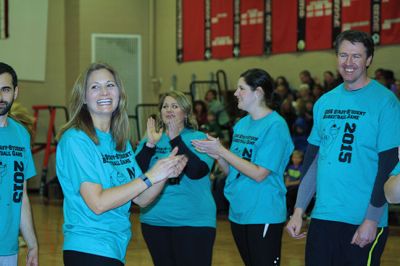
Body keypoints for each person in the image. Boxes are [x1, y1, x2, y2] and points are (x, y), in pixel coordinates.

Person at [286, 30, 400, 266]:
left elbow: (388, 165)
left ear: (368, 60)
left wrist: (371, 219)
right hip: (323, 216)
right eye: (343, 55)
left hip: (362, 219)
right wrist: (299, 210)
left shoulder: (386, 102)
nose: (349, 63)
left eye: (356, 56)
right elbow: (313, 161)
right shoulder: (324, 102)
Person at [56, 63, 188, 266]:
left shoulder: (120, 140)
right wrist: (151, 176)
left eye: (110, 85)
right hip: (87, 247)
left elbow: (141, 198)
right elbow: (98, 203)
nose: (104, 92)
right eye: (94, 87)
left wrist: (164, 174)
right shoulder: (76, 140)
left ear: (119, 93)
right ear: (83, 97)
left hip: (116, 247)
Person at [192, 68, 294, 266]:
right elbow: (234, 172)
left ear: (258, 92)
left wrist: (223, 151)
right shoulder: (241, 124)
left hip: (263, 210)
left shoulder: (276, 126)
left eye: (241, 88)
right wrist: (217, 156)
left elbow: (259, 173)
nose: (236, 93)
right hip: (239, 211)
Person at [135, 91, 215, 266]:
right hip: (154, 221)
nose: (169, 109)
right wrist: (149, 145)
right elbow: (134, 175)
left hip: (194, 222)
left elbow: (197, 172)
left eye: (174, 106)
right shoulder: (151, 139)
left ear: (185, 113)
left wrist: (175, 139)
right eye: (165, 106)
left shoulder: (199, 139)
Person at [0, 62, 39, 266]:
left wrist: (32, 243)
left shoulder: (21, 134)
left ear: (15, 92)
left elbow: (21, 195)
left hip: (8, 247)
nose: (0, 97)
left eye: (5, 89)